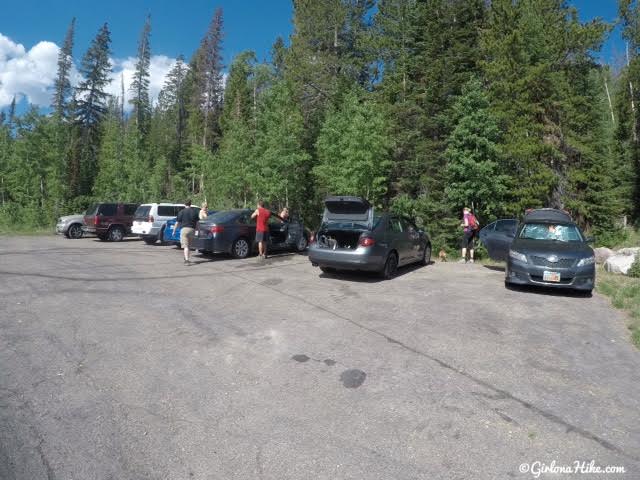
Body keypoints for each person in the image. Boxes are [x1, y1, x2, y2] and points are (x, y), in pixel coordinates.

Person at [173, 200, 199, 265]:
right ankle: (186, 258)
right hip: (192, 230)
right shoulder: (195, 212)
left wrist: (174, 231)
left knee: (186, 246)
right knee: (188, 246)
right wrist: (197, 230)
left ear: (185, 204)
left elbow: (177, 222)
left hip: (184, 230)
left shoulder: (181, 212)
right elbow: (197, 223)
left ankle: (186, 260)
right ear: (190, 204)